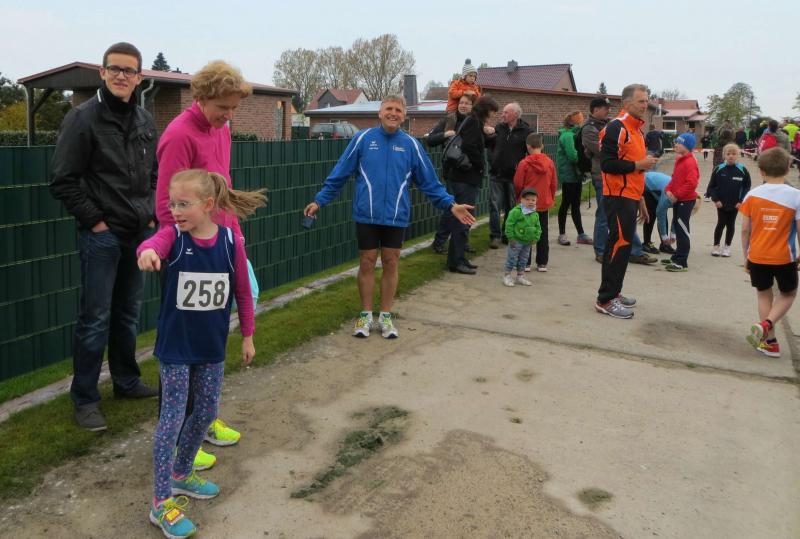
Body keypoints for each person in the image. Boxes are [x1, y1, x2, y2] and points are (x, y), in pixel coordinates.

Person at [137, 169, 265, 539]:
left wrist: (248, 336)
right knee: (172, 418)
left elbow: (242, 291)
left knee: (207, 411)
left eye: (184, 204)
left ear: (208, 204)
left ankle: (182, 472)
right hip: (176, 349)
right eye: (172, 204)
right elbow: (153, 244)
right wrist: (147, 253)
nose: (175, 211)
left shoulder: (229, 241)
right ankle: (161, 502)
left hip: (211, 348)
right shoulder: (173, 237)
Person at [49, 42, 159, 431]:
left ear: (139, 77)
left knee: (128, 314)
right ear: (102, 72)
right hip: (102, 237)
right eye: (115, 68)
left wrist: (150, 216)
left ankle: (126, 382)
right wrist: (95, 221)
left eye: (129, 70)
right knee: (95, 318)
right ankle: (85, 398)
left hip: (138, 234)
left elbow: (153, 174)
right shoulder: (82, 119)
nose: (121, 76)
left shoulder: (145, 120)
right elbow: (63, 179)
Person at [303, 95, 476, 339]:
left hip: (396, 215)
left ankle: (385, 316)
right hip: (367, 214)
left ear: (404, 116)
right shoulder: (362, 139)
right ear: (380, 113)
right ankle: (365, 315)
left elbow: (430, 182)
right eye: (389, 109)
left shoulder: (411, 145)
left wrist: (451, 205)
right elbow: (339, 173)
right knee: (367, 262)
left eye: (398, 110)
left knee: (391, 263)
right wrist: (320, 200)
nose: (393, 113)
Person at [156, 60, 254, 469]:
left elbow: (222, 187)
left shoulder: (222, 128)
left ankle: (204, 420)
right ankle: (182, 440)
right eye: (222, 107)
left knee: (214, 329)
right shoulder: (179, 134)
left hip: (221, 241)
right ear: (202, 98)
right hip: (189, 251)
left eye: (233, 108)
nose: (229, 115)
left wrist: (233, 233)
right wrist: (187, 248)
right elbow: (167, 205)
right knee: (186, 343)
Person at [594, 84, 659, 319]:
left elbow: (634, 172)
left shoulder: (637, 131)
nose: (645, 105)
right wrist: (639, 165)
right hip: (617, 196)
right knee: (619, 245)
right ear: (627, 103)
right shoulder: (616, 128)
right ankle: (606, 299)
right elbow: (607, 164)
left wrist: (640, 198)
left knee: (623, 246)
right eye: (641, 101)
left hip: (630, 196)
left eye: (646, 101)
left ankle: (614, 292)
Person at [739, 148, 800, 358]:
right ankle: (767, 323)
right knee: (788, 294)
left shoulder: (752, 195)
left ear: (761, 171)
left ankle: (770, 342)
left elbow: (745, 230)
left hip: (757, 256)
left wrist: (746, 256)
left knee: (764, 294)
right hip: (784, 257)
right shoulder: (796, 196)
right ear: (787, 169)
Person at [583, 98, 656, 265]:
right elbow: (606, 153)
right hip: (603, 177)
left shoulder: (612, 124)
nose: (608, 111)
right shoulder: (590, 128)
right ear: (595, 110)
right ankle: (601, 250)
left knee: (626, 219)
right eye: (605, 108)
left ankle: (634, 251)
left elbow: (623, 150)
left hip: (625, 178)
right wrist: (632, 158)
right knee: (604, 215)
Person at [443, 96, 499, 274]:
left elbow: (477, 142)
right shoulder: (474, 122)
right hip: (465, 178)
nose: (493, 115)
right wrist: (480, 165)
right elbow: (469, 146)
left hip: (464, 177)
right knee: (463, 220)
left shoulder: (473, 121)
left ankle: (459, 258)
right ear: (486, 109)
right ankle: (455, 261)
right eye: (492, 112)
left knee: (463, 220)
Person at [426, 94, 477, 255]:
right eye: (461, 102)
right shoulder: (449, 120)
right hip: (452, 173)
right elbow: (430, 140)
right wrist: (445, 135)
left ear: (473, 107)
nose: (463, 105)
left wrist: (489, 132)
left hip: (470, 173)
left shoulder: (476, 122)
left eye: (467, 103)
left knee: (468, 209)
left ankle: (462, 241)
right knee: (451, 209)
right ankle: (439, 242)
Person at [487, 102, 531, 248]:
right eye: (503, 112)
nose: (503, 115)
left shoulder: (526, 131)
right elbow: (489, 145)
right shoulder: (499, 128)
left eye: (506, 112)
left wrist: (523, 169)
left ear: (515, 115)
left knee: (511, 207)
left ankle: (507, 234)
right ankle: (495, 236)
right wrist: (492, 161)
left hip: (514, 176)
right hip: (497, 174)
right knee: (494, 206)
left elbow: (531, 153)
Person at [513, 133, 556, 272]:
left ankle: (525, 262)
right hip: (543, 201)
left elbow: (518, 183)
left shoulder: (524, 163)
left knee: (525, 230)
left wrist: (519, 197)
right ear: (542, 146)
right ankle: (542, 262)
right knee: (542, 231)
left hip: (527, 202)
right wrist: (551, 197)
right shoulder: (550, 163)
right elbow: (553, 183)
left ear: (528, 146)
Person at [663, 133, 700, 272]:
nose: (676, 145)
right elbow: (674, 178)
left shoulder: (690, 162)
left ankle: (682, 262)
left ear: (687, 146)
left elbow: (692, 183)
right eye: (676, 142)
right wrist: (668, 189)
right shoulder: (680, 159)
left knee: (682, 230)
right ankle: (677, 256)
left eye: (680, 143)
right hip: (679, 200)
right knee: (678, 229)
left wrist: (677, 195)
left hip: (686, 201)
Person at [707, 143, 751, 257]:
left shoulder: (743, 170)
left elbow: (747, 187)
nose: (731, 156)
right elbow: (711, 187)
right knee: (720, 223)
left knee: (731, 224)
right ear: (724, 155)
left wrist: (741, 201)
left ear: (738, 155)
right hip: (721, 203)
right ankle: (716, 246)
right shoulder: (718, 169)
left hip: (735, 204)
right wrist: (716, 200)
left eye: (734, 154)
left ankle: (727, 247)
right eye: (728, 154)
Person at [556, 111, 592, 246]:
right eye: (580, 119)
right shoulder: (567, 136)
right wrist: (585, 161)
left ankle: (581, 234)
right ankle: (562, 234)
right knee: (566, 204)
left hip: (575, 175)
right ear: (575, 122)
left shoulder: (574, 135)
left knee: (575, 205)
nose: (582, 122)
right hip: (569, 175)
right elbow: (572, 156)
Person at [503, 188, 542, 287]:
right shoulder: (516, 212)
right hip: (515, 241)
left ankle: (520, 276)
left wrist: (536, 237)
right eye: (527, 199)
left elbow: (538, 227)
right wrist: (511, 237)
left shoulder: (535, 214)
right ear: (521, 200)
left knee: (524, 259)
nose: (530, 202)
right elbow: (509, 224)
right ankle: (507, 275)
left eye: (533, 200)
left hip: (527, 242)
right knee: (512, 258)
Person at [642, 171, 675, 255]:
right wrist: (664, 236)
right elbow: (660, 214)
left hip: (659, 186)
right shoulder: (669, 196)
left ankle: (664, 245)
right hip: (647, 183)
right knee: (651, 214)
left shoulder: (685, 199)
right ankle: (646, 243)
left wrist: (673, 234)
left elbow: (677, 217)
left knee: (663, 211)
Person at [444, 59, 481, 131]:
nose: (472, 78)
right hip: (453, 108)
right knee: (452, 119)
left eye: (474, 76)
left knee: (476, 117)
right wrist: (464, 92)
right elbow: (452, 93)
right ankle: (448, 133)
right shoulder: (456, 83)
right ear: (464, 76)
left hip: (466, 108)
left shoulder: (474, 87)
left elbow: (478, 96)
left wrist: (475, 94)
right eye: (470, 76)